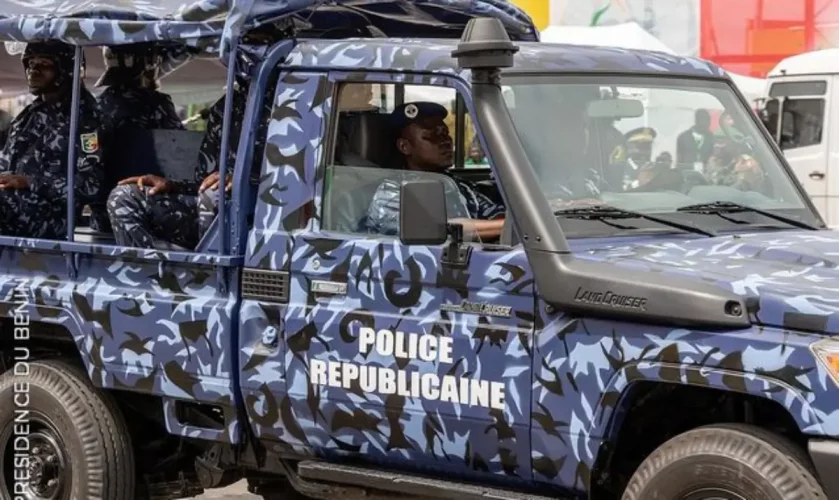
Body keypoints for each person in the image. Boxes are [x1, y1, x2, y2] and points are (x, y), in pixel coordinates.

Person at [106, 24, 283, 249]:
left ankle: (212, 268)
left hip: (267, 217)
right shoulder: (227, 109)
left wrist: (243, 180)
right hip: (213, 211)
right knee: (124, 197)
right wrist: (171, 185)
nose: (249, 50)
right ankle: (152, 268)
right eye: (245, 42)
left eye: (259, 42)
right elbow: (203, 181)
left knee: (215, 195)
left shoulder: (296, 103)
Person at [0, 41, 103, 239]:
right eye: (31, 64)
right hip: (14, 202)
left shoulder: (85, 118)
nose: (34, 71)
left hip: (55, 216)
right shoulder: (29, 114)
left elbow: (91, 185)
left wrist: (29, 182)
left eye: (44, 64)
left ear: (66, 69)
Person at [363, 102, 505, 241]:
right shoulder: (391, 192)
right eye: (431, 135)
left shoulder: (459, 186)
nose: (445, 140)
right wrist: (503, 226)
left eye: (445, 133)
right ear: (404, 146)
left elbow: (495, 214)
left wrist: (503, 223)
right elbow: (441, 229)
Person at [92, 43, 184, 233]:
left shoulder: (95, 106)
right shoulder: (156, 104)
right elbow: (182, 157)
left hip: (102, 217)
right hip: (143, 210)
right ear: (150, 64)